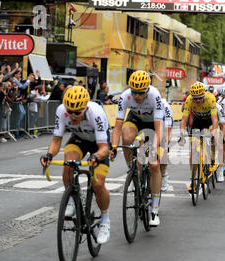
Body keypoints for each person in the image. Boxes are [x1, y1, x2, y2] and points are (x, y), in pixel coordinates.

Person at [40, 86, 112, 244]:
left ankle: (105, 220)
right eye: (69, 111)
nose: (72, 115)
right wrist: (49, 155)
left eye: (77, 112)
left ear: (85, 107)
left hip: (98, 144)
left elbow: (104, 147)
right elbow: (56, 140)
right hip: (79, 139)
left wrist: (96, 156)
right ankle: (72, 200)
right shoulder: (61, 111)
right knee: (69, 164)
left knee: (98, 183)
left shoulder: (96, 113)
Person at [111, 70, 164, 227]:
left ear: (147, 90)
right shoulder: (125, 96)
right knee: (126, 137)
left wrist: (153, 149)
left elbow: (159, 127)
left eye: (140, 93)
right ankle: (132, 169)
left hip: (153, 124)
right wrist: (114, 147)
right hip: (135, 119)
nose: (136, 96)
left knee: (154, 164)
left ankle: (154, 209)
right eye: (134, 92)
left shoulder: (155, 96)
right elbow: (117, 126)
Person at [179, 82, 219, 192]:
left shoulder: (210, 98)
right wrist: (182, 133)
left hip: (209, 121)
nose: (197, 101)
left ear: (203, 95)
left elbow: (215, 119)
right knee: (194, 150)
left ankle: (211, 161)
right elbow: (184, 119)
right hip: (197, 122)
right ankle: (193, 181)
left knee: (213, 139)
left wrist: (213, 132)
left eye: (200, 98)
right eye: (195, 98)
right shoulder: (189, 100)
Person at [160, 98, 173, 192]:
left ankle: (164, 175)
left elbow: (168, 127)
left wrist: (167, 141)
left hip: (164, 123)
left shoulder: (164, 105)